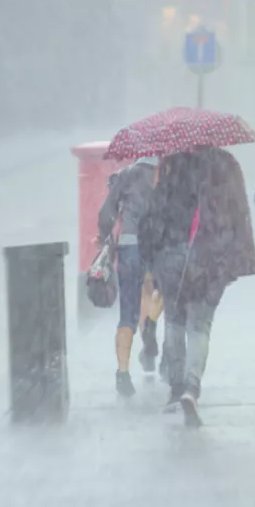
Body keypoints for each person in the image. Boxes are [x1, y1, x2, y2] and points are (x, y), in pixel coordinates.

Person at [138, 146, 255, 427]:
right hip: (207, 258)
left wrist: (151, 260)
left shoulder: (171, 172)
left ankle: (176, 387)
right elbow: (236, 215)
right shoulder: (222, 171)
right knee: (200, 326)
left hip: (171, 257)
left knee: (175, 321)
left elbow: (152, 220)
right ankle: (192, 388)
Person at [98, 156, 161, 396]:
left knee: (127, 312)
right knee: (152, 292)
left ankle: (123, 374)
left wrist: (105, 237)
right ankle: (150, 333)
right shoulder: (165, 176)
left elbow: (106, 214)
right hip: (155, 245)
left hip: (128, 246)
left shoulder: (126, 175)